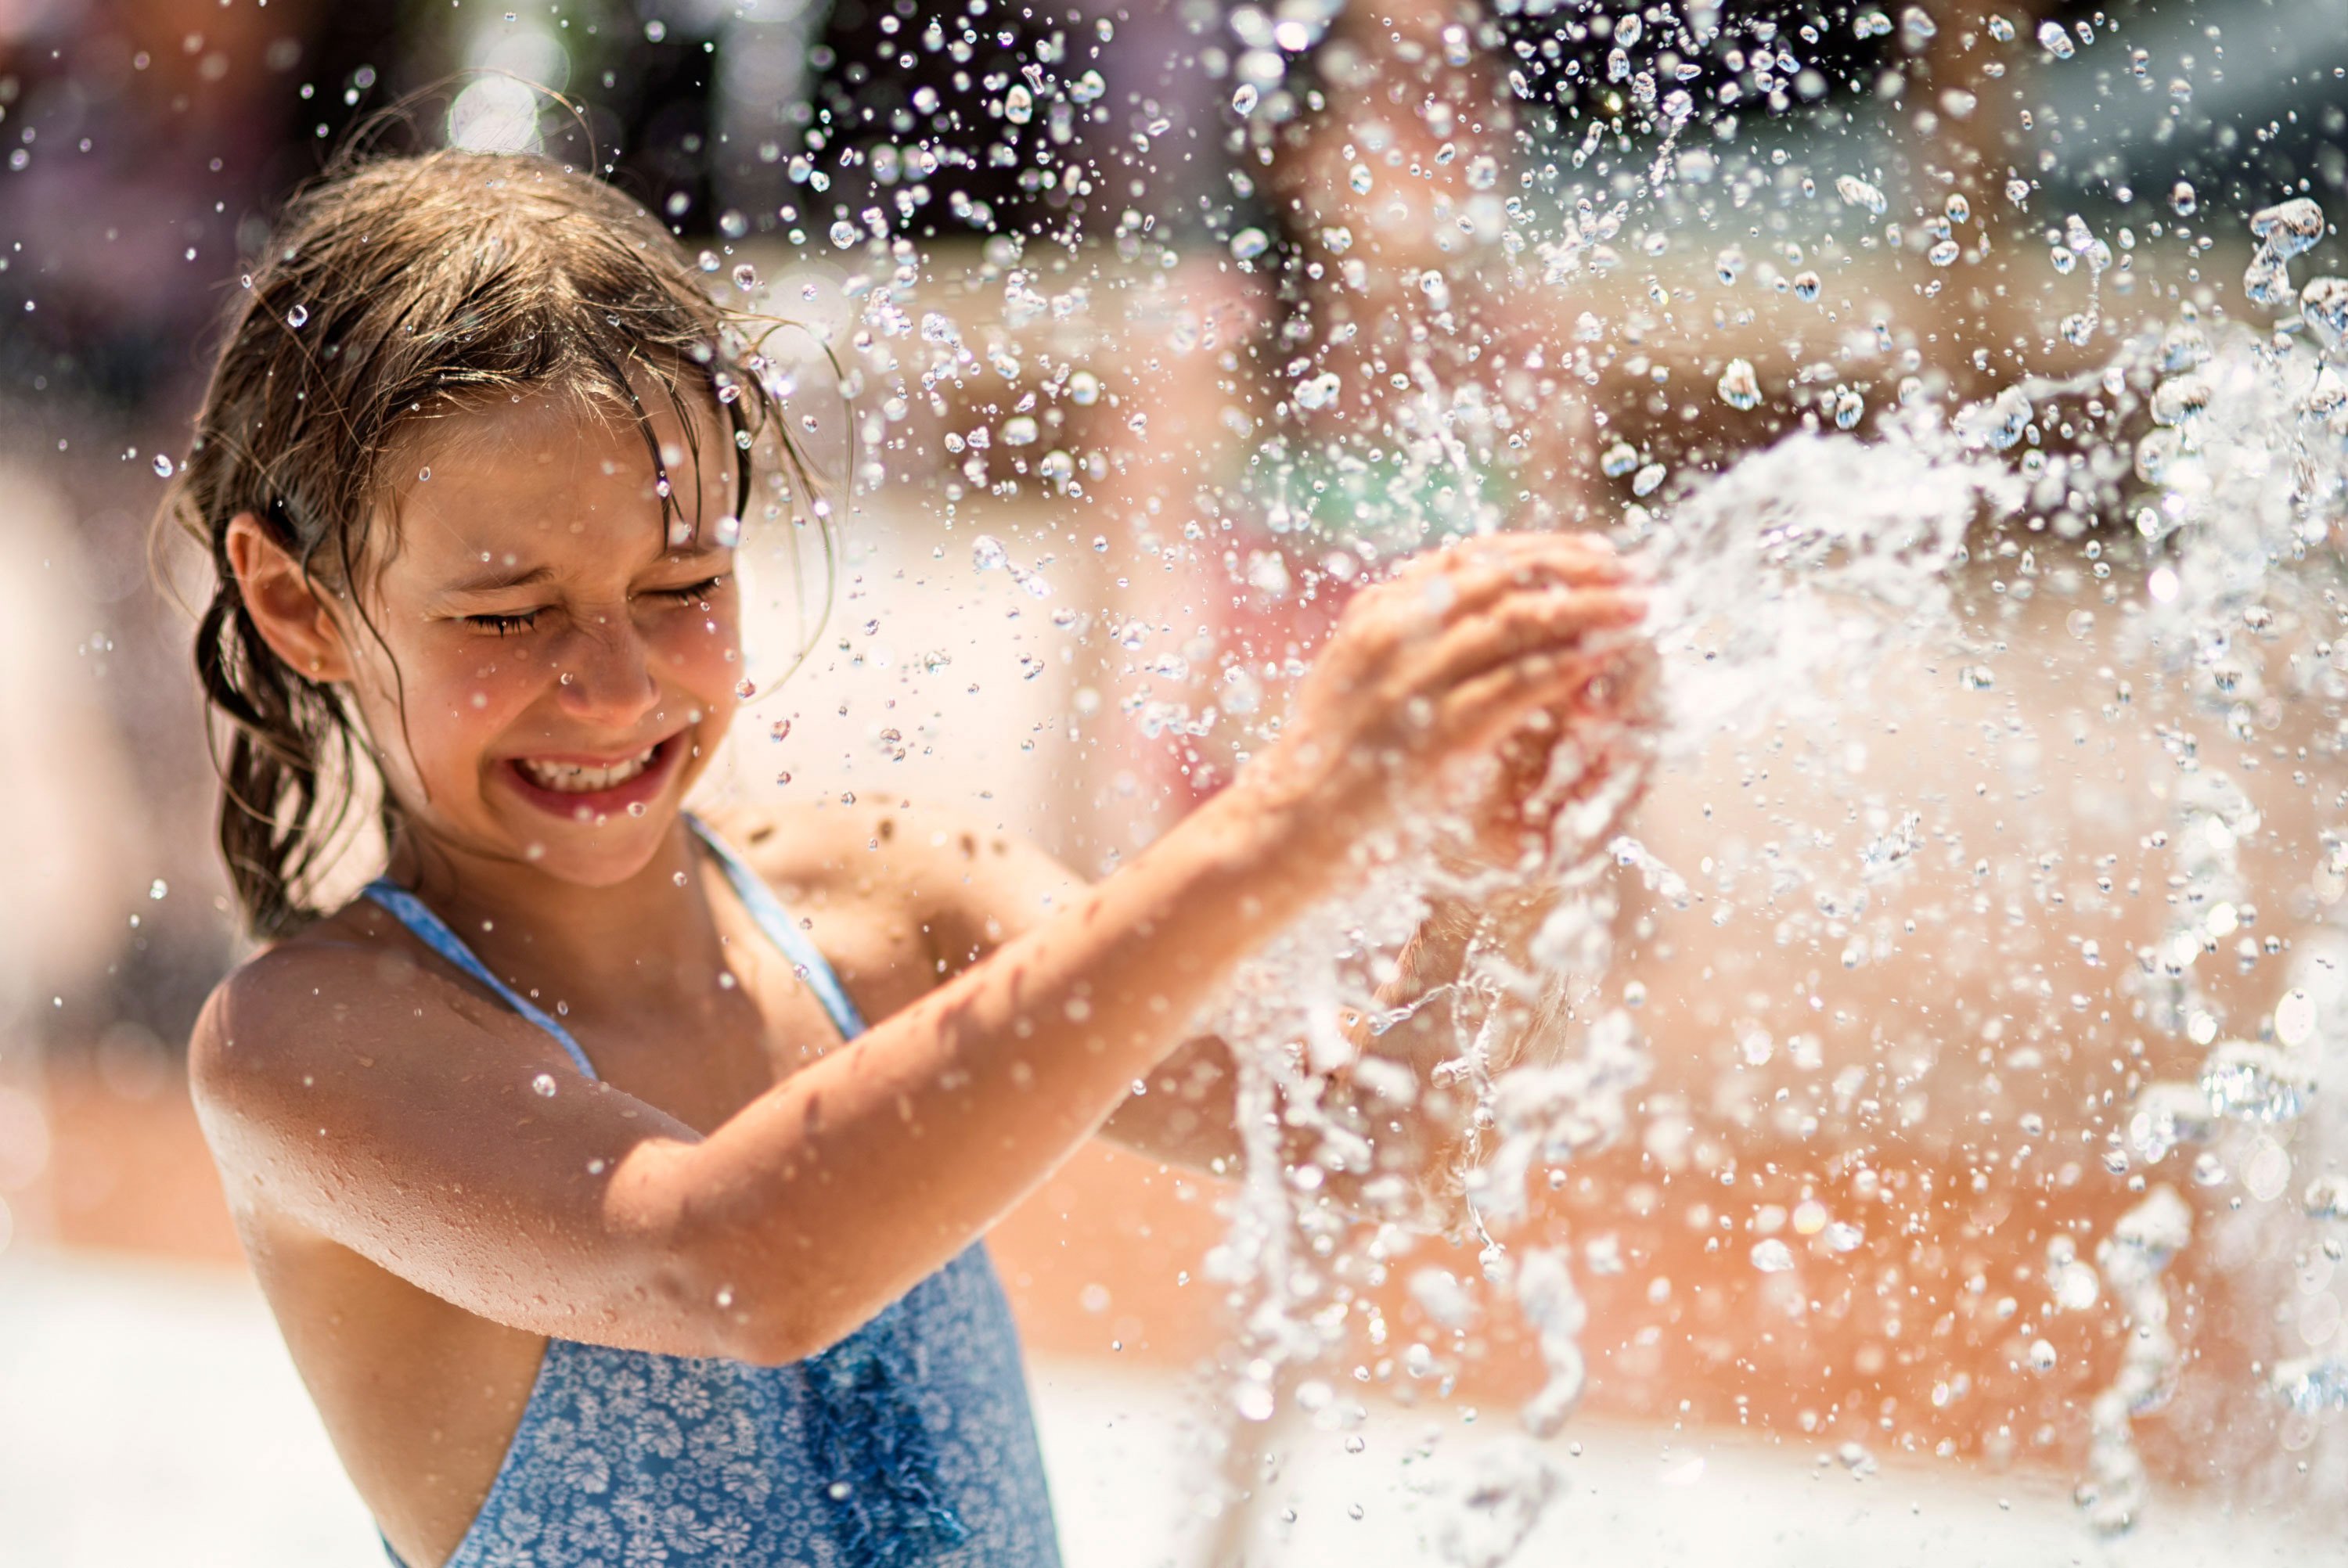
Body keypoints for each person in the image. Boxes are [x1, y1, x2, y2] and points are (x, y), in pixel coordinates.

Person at [170, 148, 1649, 1568]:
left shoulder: (894, 902)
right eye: (506, 616)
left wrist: (1500, 863)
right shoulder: (309, 1045)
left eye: (683, 584)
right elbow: (730, 1266)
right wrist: (1293, 820)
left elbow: (1370, 1142)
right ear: (298, 607)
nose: (615, 687)